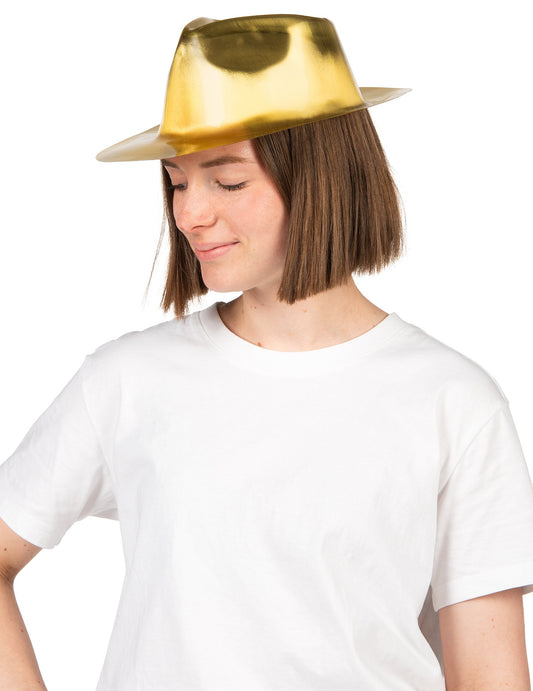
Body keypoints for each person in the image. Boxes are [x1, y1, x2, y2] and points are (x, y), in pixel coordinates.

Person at [1, 13, 532, 690]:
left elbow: (488, 676)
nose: (189, 214)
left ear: (322, 176)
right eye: (177, 181)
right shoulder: (127, 381)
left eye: (226, 181)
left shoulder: (452, 402)